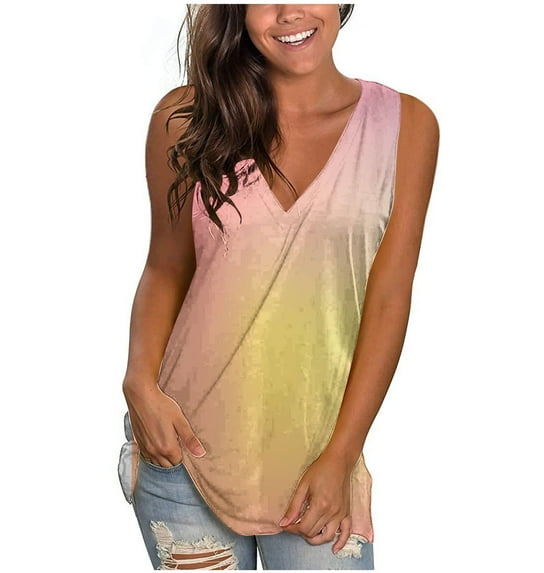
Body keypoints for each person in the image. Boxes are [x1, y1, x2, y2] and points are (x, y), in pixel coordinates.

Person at [117, 3, 439, 570]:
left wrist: (342, 455)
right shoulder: (186, 118)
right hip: (184, 456)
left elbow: (390, 300)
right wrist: (139, 382)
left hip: (317, 470)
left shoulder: (405, 127)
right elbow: (165, 268)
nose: (290, 11)